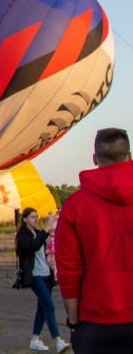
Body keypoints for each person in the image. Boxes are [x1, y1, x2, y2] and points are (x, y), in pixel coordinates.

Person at [56, 127, 133, 354]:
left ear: (94, 159)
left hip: (96, 322)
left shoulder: (75, 205)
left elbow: (68, 267)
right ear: (129, 156)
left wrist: (73, 318)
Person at [16, 207, 69, 352]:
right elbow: (32, 246)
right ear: (25, 219)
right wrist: (46, 230)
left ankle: (35, 339)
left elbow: (51, 242)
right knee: (49, 306)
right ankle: (58, 341)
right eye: (32, 217)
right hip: (35, 276)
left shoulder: (39, 233)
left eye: (37, 216)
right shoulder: (22, 235)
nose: (36, 219)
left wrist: (55, 223)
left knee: (42, 308)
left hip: (47, 275)